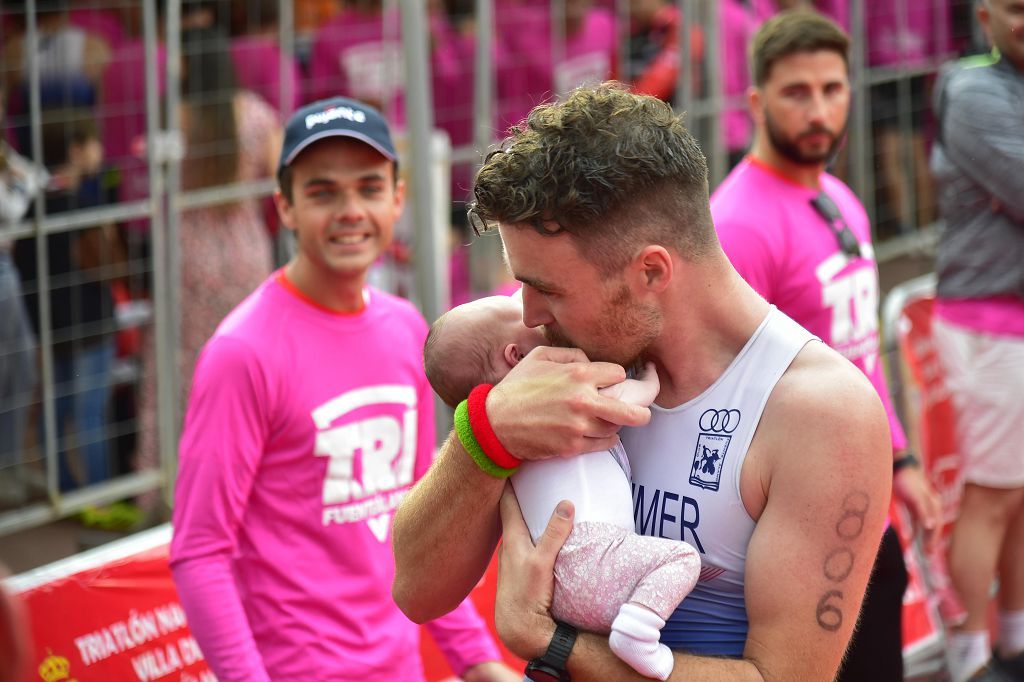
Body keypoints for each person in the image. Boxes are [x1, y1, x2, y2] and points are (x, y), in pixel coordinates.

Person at [392, 81, 893, 681]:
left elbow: (780, 678)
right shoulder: (559, 342)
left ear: (650, 271)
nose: (526, 313)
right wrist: (487, 435)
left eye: (546, 289)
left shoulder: (819, 412)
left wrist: (554, 644)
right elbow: (416, 592)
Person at [168, 95, 518, 682]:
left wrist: (479, 662)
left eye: (368, 187)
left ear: (397, 197)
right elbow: (200, 552)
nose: (349, 210)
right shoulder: (243, 353)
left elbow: (414, 522)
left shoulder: (407, 327)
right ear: (284, 206)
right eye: (323, 192)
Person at [709, 10, 943, 681]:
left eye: (832, 89)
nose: (820, 110)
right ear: (756, 102)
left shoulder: (842, 196)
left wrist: (899, 459)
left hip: (868, 509)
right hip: (801, 535)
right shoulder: (739, 224)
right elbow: (725, 392)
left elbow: (861, 352)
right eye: (796, 92)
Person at [425, 292, 701, 680]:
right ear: (516, 357)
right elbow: (625, 402)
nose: (536, 317)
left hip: (555, 589)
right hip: (597, 552)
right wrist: (651, 378)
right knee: (682, 560)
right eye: (524, 318)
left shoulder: (508, 446)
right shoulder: (560, 404)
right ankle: (638, 630)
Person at [134, 26, 279, 481]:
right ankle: (249, 466)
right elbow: (278, 173)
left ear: (188, 65)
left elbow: (145, 166)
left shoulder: (173, 117)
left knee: (179, 366)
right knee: (247, 361)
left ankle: (173, 477)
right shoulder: (255, 113)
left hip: (187, 256)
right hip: (244, 250)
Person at [930, 1, 1024, 679]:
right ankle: (968, 662)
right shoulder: (974, 90)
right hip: (990, 323)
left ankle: (1014, 642)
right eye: (1018, 9)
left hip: (1007, 320)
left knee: (1019, 494)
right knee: (991, 497)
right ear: (985, 14)